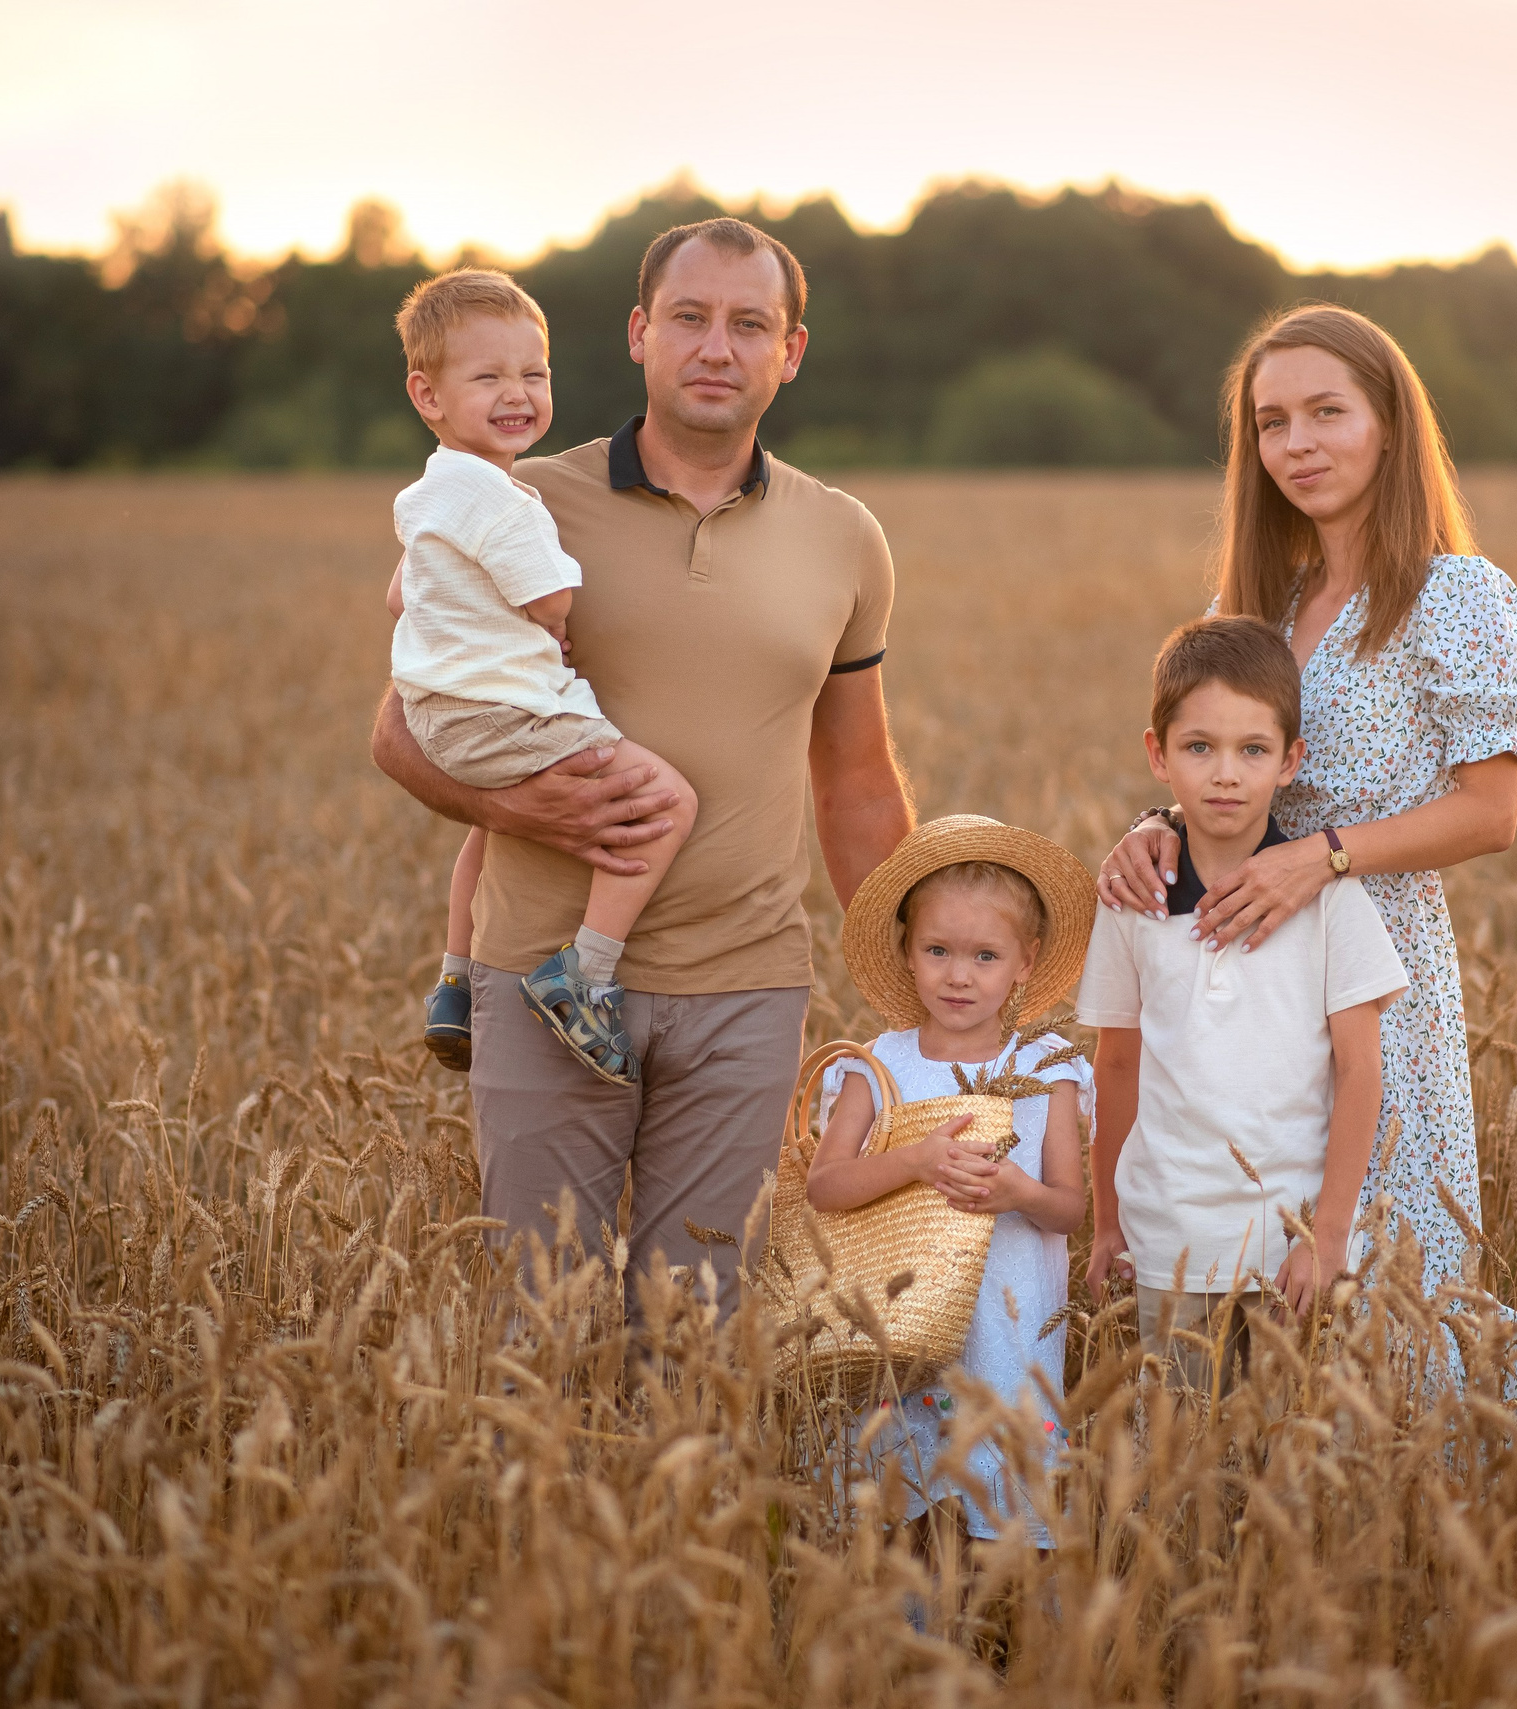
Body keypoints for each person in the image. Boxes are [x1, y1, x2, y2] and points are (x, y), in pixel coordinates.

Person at [370, 218, 915, 1316]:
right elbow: (398, 727)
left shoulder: (845, 535)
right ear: (638, 334)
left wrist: (910, 982)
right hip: (540, 974)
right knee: (543, 1323)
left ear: (789, 350)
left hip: (747, 986)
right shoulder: (519, 498)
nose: (717, 346)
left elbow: (856, 775)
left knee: (697, 1325)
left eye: (748, 324)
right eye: (690, 318)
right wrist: (516, 804)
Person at [1096, 304, 1517, 1302]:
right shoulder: (1260, 602)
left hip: (1374, 971)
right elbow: (1216, 774)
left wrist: (1322, 854)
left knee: (1377, 1289)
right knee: (1239, 1273)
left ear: (1388, 424)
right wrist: (1149, 831)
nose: (1295, 444)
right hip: (1240, 966)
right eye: (1270, 422)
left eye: (1325, 413)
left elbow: (1490, 811)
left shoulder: (1455, 594)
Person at [381, 268, 698, 1086]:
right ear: (429, 394)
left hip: (443, 716)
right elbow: (554, 597)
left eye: (533, 374)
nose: (516, 392)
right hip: (507, 711)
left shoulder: (426, 494)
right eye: (487, 377)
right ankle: (585, 972)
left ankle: (455, 977)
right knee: (667, 803)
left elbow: (399, 595)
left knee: (490, 829)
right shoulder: (505, 500)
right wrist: (557, 617)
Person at [1079, 618, 1408, 1390]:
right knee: (1176, 1464)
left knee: (1286, 1473)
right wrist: (1106, 1223)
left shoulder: (1332, 901)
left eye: (1252, 750)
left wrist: (1328, 1238)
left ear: (1291, 760)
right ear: (1158, 756)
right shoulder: (1134, 901)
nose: (1225, 773)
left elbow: (1360, 1072)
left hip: (1287, 1255)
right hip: (1166, 1245)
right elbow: (1116, 1064)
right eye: (1199, 747)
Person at [805, 816, 1096, 1546]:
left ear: (1025, 963)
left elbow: (1068, 1206)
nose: (959, 974)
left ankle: (1016, 1642)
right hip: (899, 1324)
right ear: (907, 952)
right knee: (905, 1504)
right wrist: (913, 1159)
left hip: (1010, 1317)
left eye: (985, 955)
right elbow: (825, 1184)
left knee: (1008, 1498)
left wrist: (1018, 1193)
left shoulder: (1048, 1068)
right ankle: (915, 1638)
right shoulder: (880, 1065)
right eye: (937, 950)